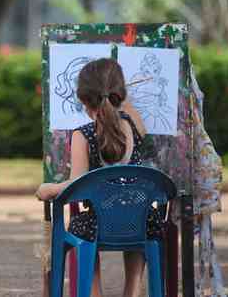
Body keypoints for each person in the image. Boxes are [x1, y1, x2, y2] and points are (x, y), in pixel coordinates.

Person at [35, 58, 164, 297]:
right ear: (120, 94)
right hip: (143, 223)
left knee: (80, 225)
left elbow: (75, 185)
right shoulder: (134, 124)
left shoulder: (82, 136)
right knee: (142, 216)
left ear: (83, 99)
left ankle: (94, 292)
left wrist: (49, 189)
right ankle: (132, 289)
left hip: (99, 226)